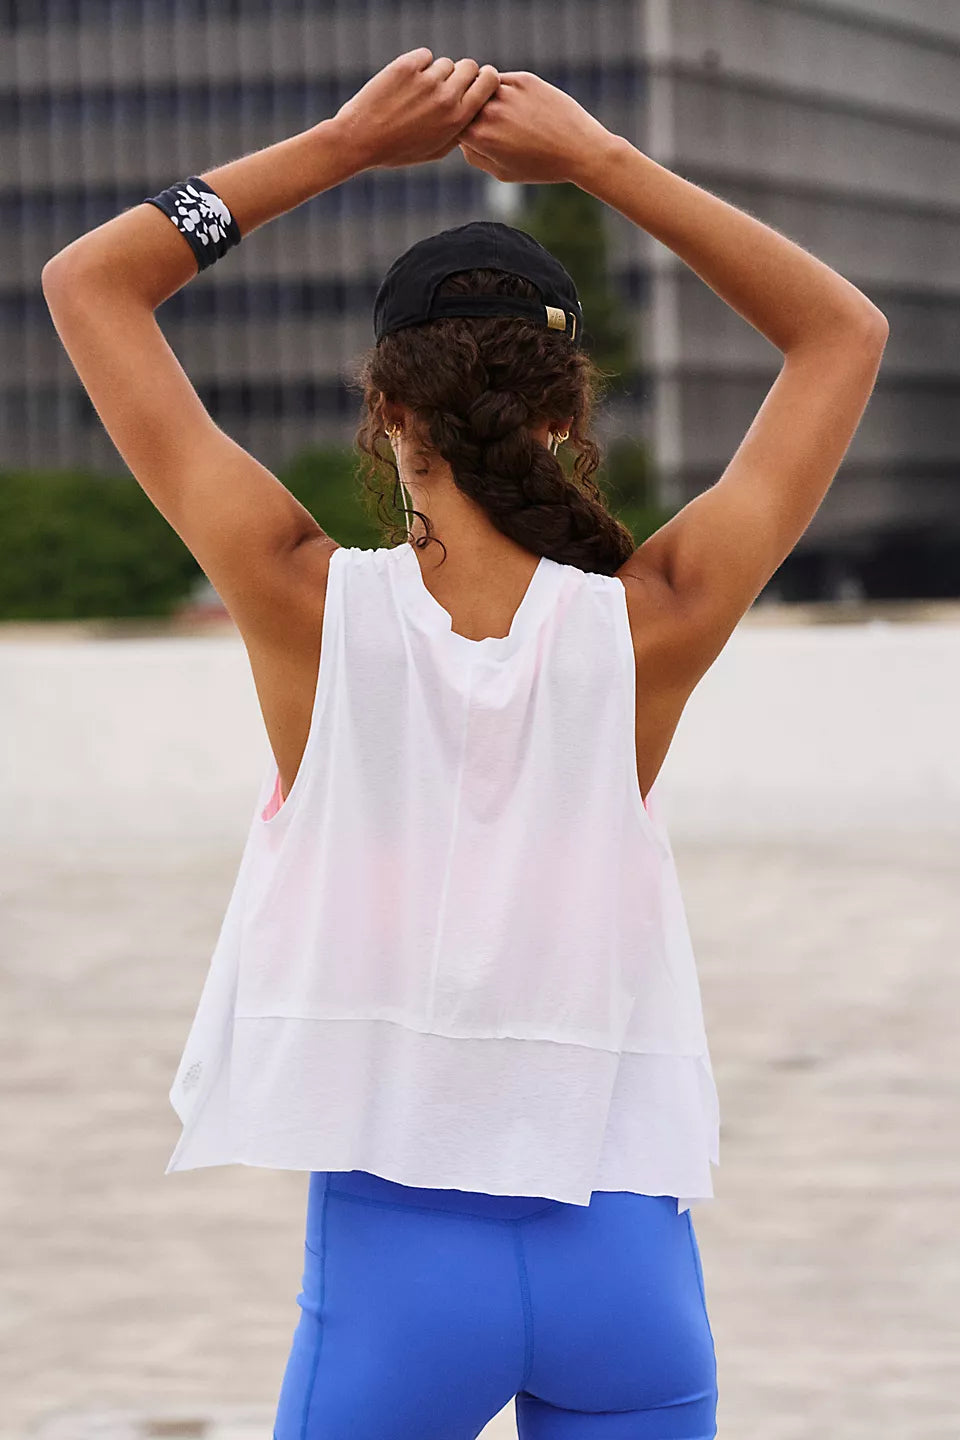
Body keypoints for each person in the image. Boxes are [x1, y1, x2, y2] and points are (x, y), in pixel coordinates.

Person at [42, 49, 887, 1440]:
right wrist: (599, 161)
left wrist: (343, 143)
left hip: (398, 1273)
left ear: (386, 409)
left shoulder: (302, 600)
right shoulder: (653, 621)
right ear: (564, 414)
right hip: (625, 1259)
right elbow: (842, 333)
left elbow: (90, 283)